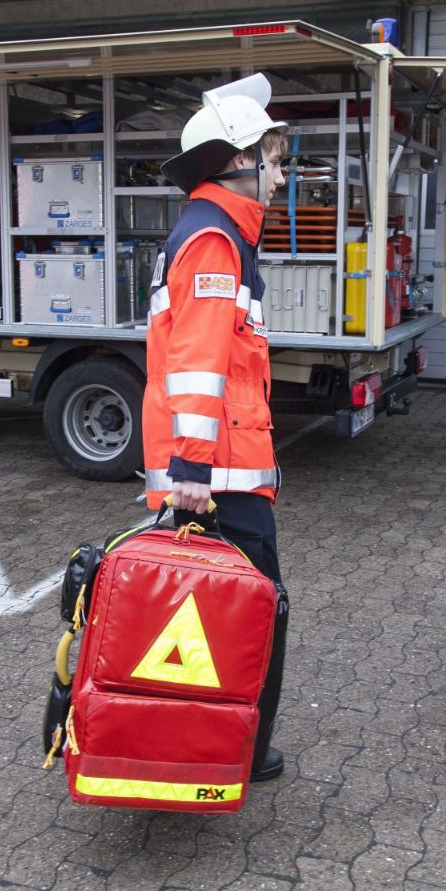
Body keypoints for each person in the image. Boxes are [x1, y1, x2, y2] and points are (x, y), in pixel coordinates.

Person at [145, 73, 290, 783]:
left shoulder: (214, 234)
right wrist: (194, 472)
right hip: (219, 479)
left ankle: (210, 745)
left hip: (219, 471)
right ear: (239, 159)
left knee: (209, 619)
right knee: (253, 614)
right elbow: (198, 364)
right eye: (274, 156)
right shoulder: (213, 241)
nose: (280, 171)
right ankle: (236, 752)